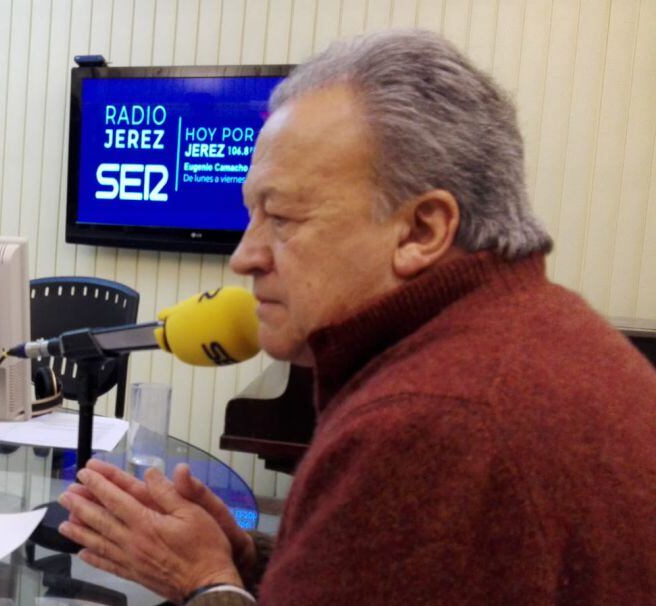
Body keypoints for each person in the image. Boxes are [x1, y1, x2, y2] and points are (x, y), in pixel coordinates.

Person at [56, 29, 656, 605]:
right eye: (250, 215)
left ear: (422, 229)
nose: (244, 256)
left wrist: (203, 583)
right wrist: (254, 563)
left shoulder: (430, 423)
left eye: (281, 217)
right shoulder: (537, 330)